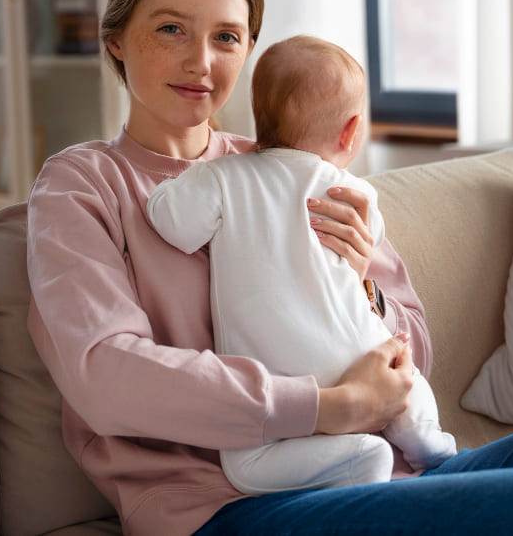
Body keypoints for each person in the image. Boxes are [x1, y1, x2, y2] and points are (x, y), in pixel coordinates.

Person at [26, 0, 513, 536]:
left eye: (227, 36)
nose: (201, 61)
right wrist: (328, 407)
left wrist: (365, 285)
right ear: (116, 38)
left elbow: (413, 354)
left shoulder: (291, 163)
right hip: (226, 506)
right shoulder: (83, 184)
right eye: (171, 28)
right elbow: (108, 373)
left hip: (384, 464)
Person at [145, 35, 456, 495]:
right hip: (367, 371)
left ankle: (366, 462)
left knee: (267, 462)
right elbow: (408, 332)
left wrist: (165, 191)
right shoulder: (356, 196)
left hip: (275, 413)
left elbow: (174, 226)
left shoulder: (222, 177)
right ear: (349, 132)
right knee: (406, 382)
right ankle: (428, 442)